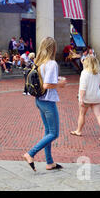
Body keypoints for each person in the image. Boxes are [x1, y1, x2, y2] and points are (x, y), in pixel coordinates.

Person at [23, 37, 67, 172]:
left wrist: (57, 80)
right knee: (54, 133)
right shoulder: (52, 63)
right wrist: (60, 83)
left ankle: (50, 162)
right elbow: (47, 84)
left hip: (39, 100)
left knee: (48, 132)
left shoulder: (39, 63)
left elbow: (43, 80)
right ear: (53, 48)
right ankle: (30, 153)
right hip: (48, 101)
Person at [70, 56, 100, 143]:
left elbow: (82, 88)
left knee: (82, 114)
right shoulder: (97, 73)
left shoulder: (84, 73)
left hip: (87, 97)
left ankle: (78, 131)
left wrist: (80, 98)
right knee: (98, 115)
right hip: (96, 96)